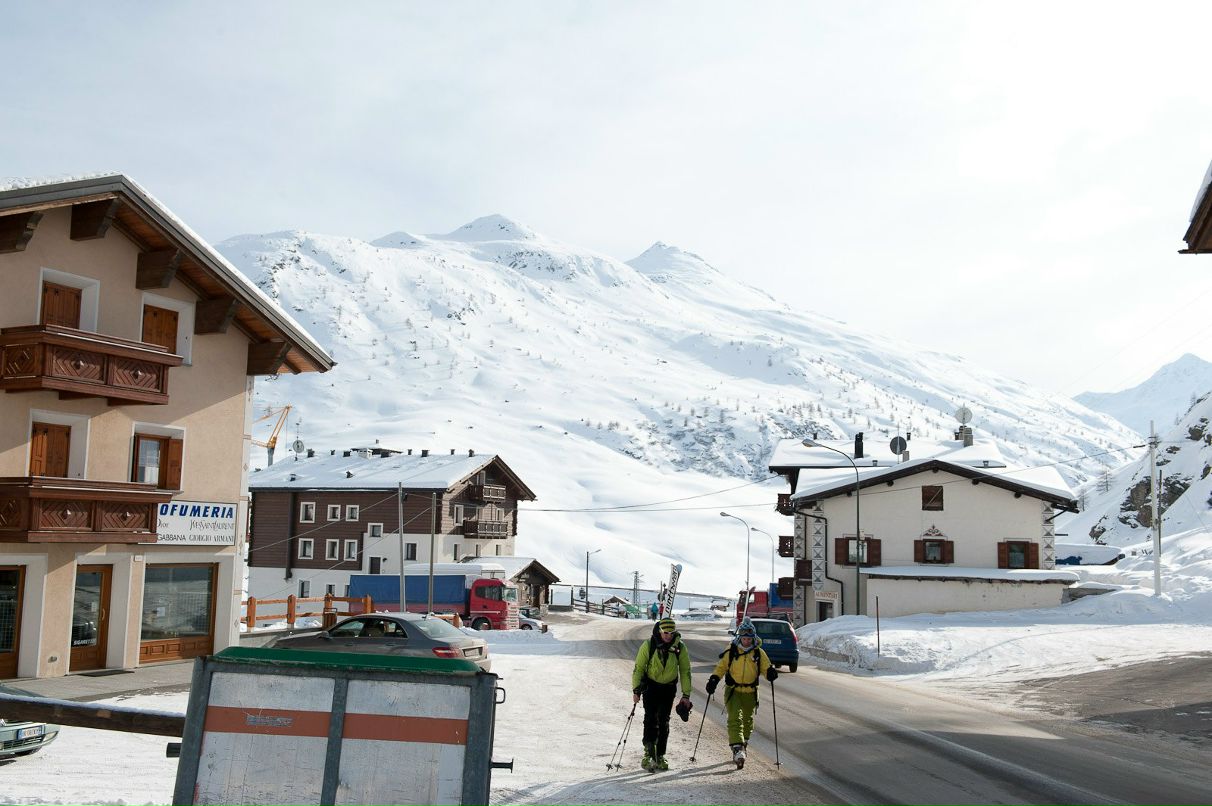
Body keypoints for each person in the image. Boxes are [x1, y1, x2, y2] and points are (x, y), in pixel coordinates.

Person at [705, 618, 777, 769]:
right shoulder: (731, 650)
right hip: (733, 691)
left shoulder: (758, 652)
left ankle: (743, 743)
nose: (746, 641)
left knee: (747, 720)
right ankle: (737, 748)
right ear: (739, 637)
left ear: (753, 638)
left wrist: (770, 672)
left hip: (750, 691)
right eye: (743, 638)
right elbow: (721, 667)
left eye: (749, 638)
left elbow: (766, 667)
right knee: (734, 718)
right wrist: (714, 679)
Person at [631, 617, 692, 771]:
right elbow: (639, 667)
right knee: (650, 718)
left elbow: (685, 671)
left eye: (671, 633)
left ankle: (660, 755)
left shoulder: (680, 647)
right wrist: (636, 689)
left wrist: (686, 695)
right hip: (651, 687)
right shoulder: (649, 645)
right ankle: (649, 754)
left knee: (664, 721)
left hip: (668, 689)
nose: (668, 636)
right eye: (665, 632)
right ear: (660, 631)